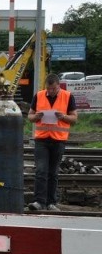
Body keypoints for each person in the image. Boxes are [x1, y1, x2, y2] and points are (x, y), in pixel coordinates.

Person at [27, 73, 78, 211]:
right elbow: (30, 116)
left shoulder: (68, 96)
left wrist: (63, 117)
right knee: (41, 171)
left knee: (53, 172)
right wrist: (36, 116)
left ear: (58, 86)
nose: (50, 91)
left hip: (58, 140)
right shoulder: (39, 95)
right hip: (41, 139)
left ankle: (51, 203)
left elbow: (74, 119)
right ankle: (39, 201)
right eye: (48, 89)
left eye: (53, 89)